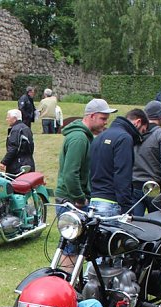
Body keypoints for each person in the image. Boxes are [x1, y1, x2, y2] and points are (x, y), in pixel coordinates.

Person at [54, 98, 116, 270]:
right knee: (70, 249)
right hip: (71, 200)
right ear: (92, 116)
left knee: (75, 247)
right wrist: (80, 198)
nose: (105, 123)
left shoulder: (82, 136)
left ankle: (72, 286)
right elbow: (70, 173)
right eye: (103, 119)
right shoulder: (79, 139)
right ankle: (66, 288)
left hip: (71, 199)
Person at [89, 108, 149, 216]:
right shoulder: (124, 138)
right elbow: (122, 175)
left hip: (94, 202)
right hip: (112, 204)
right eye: (143, 131)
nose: (141, 135)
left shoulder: (100, 136)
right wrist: (127, 209)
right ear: (138, 122)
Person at [133, 101, 161, 214]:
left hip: (134, 186)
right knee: (159, 227)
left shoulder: (134, 133)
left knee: (134, 227)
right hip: (155, 188)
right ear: (160, 117)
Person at [0, 109, 35, 175]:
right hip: (29, 163)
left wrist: (4, 162)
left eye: (8, 117)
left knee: (14, 184)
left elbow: (13, 148)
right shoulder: (26, 128)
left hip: (18, 166)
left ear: (14, 118)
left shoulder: (16, 130)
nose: (7, 120)